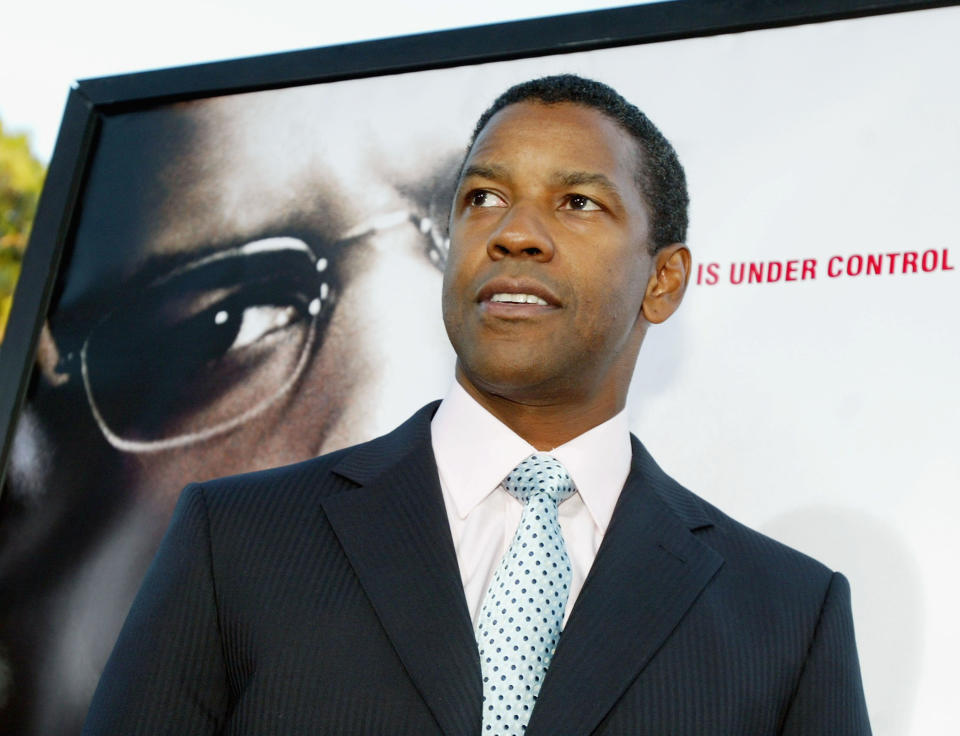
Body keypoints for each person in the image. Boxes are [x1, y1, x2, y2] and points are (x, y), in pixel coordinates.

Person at [81, 75, 871, 735]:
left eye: (578, 203)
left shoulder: (787, 617)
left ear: (663, 281)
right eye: (484, 197)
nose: (516, 233)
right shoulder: (238, 542)